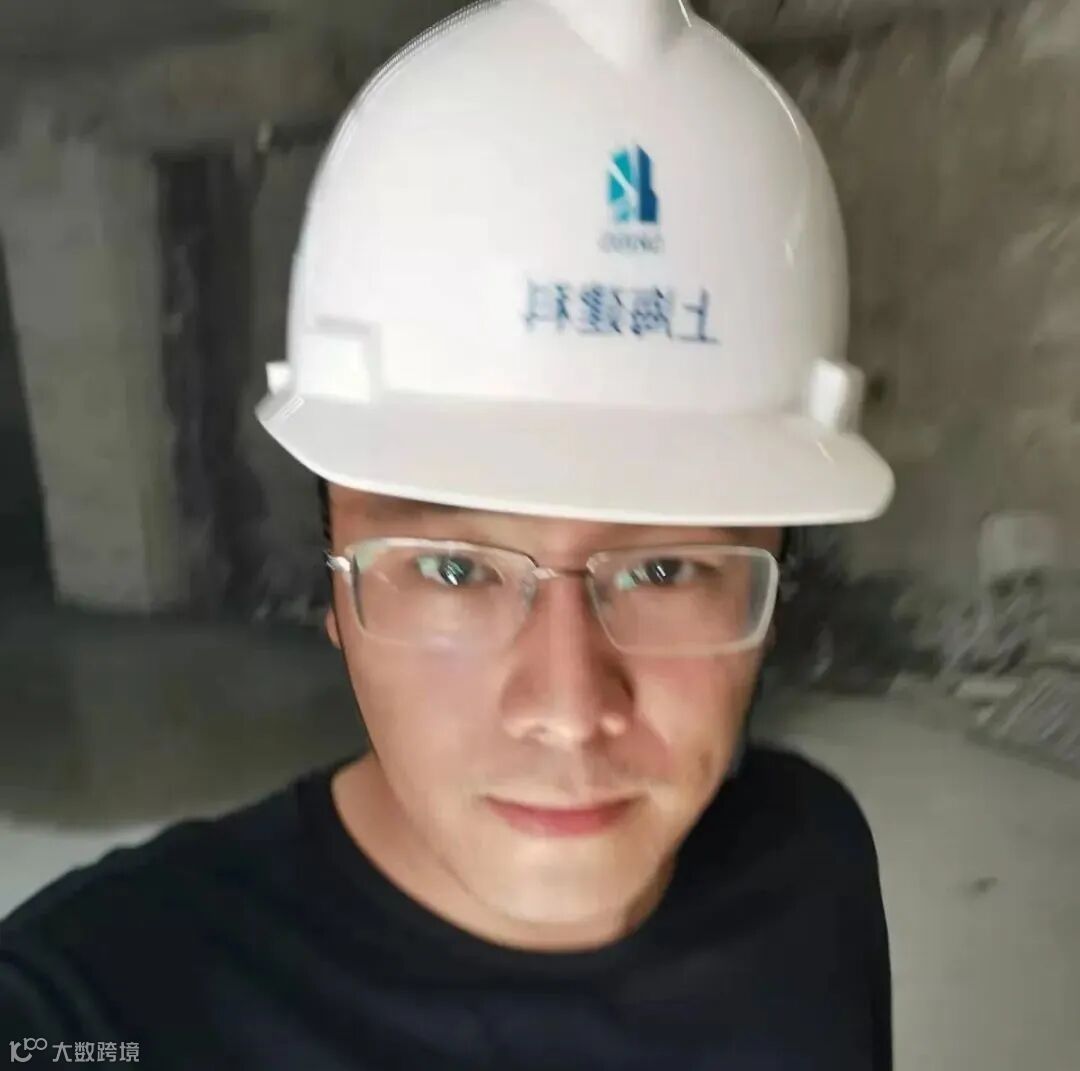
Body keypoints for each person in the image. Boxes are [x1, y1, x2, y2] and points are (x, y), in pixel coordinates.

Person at [2, 1, 896, 1067]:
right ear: (335, 591)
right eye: (454, 569)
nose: (567, 710)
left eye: (665, 568)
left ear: (774, 581)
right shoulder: (101, 1007)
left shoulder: (812, 869)